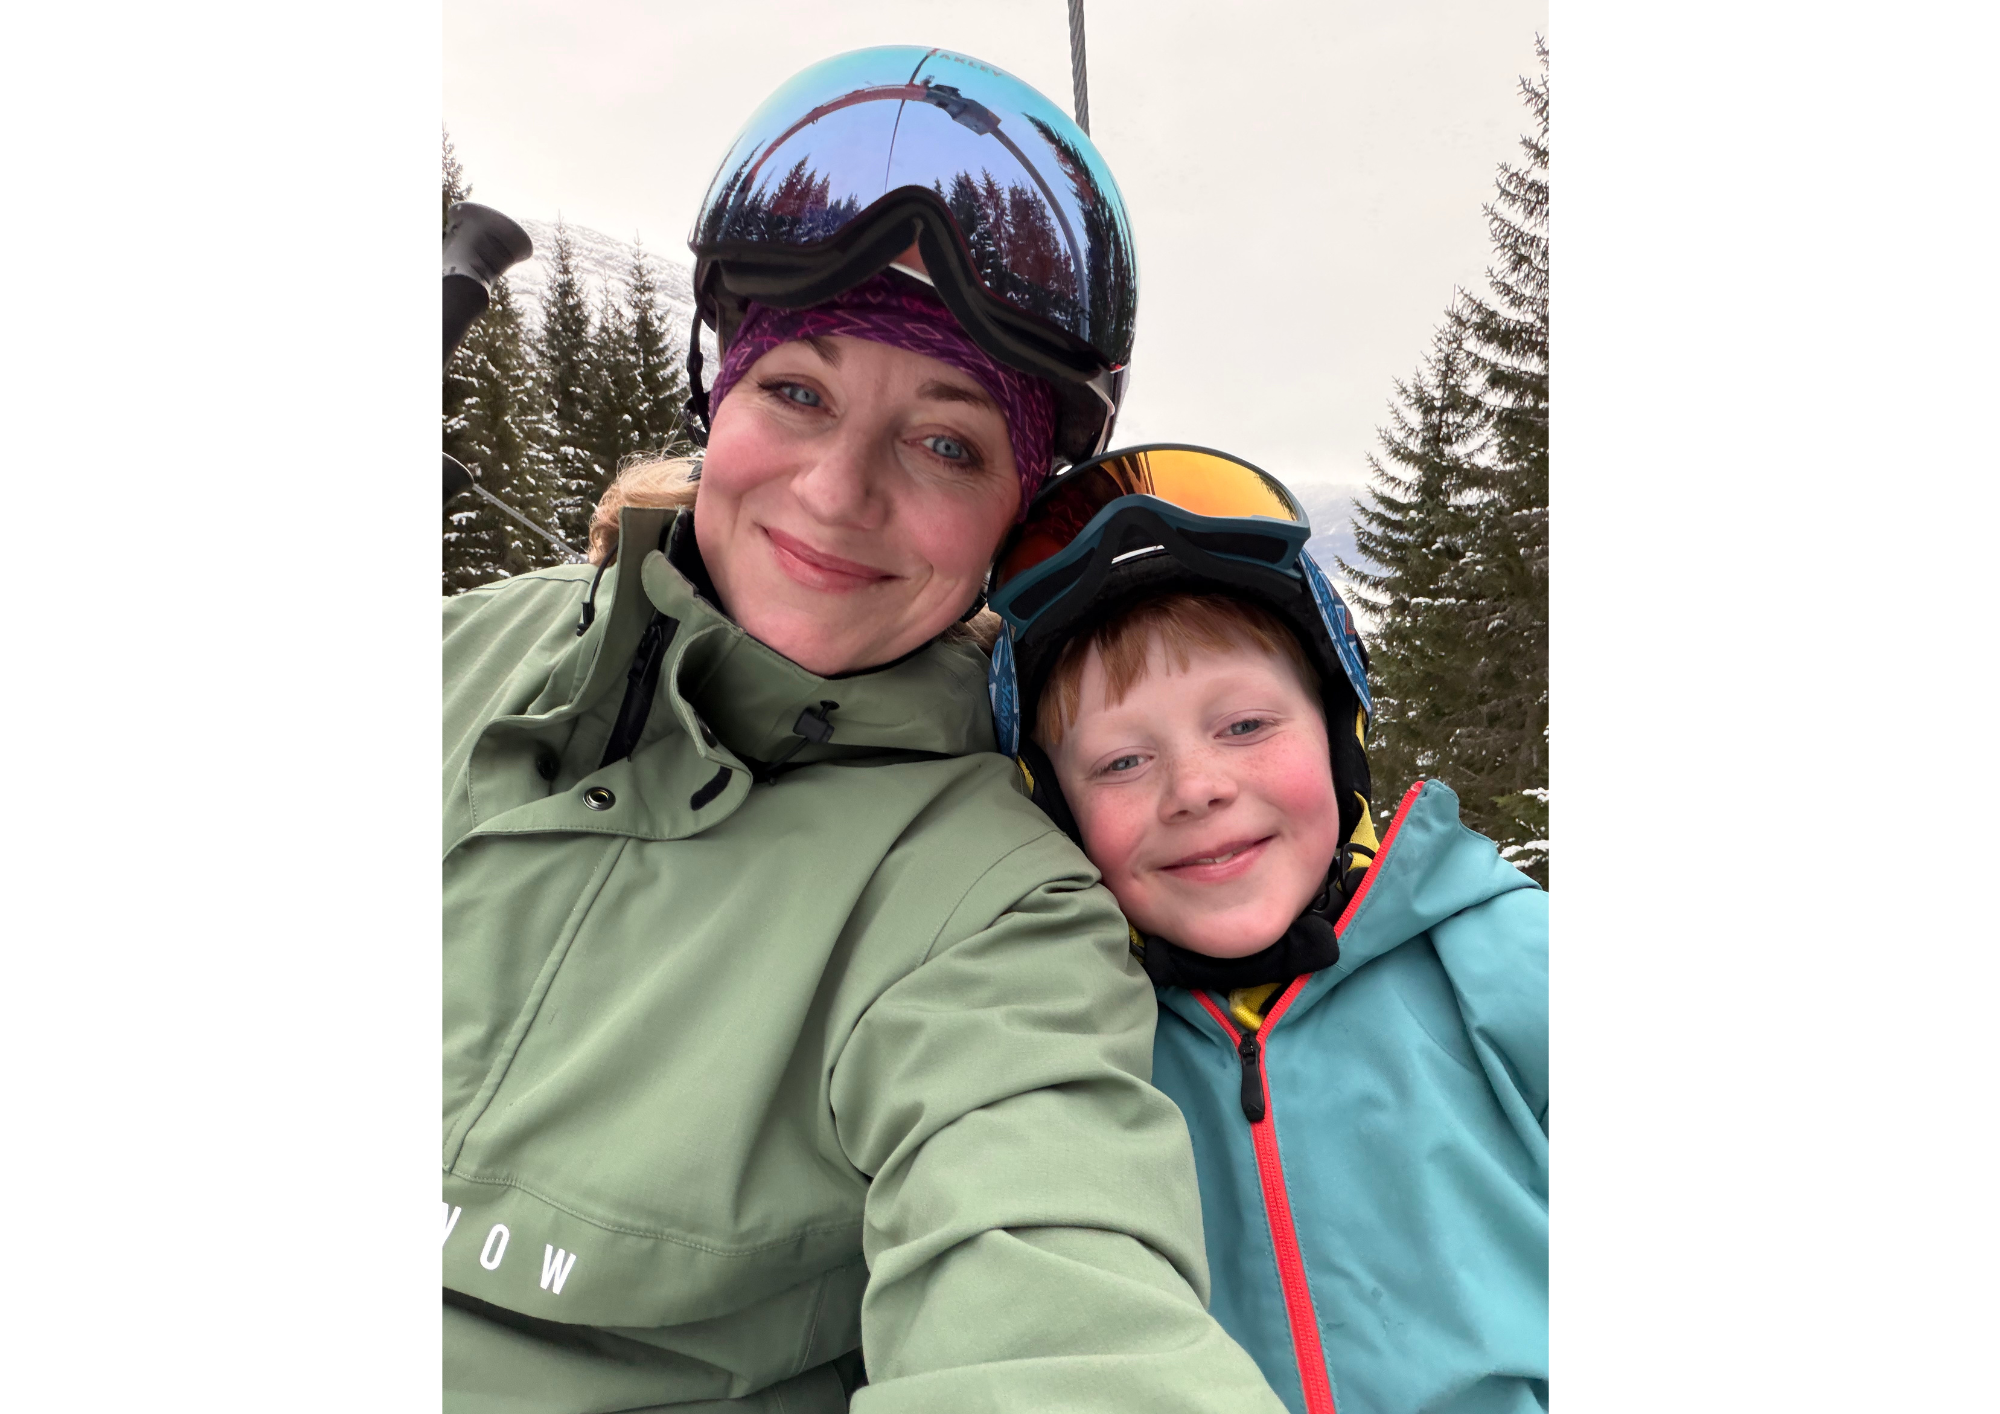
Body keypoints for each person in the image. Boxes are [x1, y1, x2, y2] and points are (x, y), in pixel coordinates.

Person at [443, 50, 1286, 1414]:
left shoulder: (988, 908)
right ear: (717, 395)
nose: (837, 492)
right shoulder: (460, 654)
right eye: (798, 392)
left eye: (947, 443)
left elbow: (1058, 1310)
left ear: (1015, 507)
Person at [985, 445, 1550, 1414]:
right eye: (1121, 761)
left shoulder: (1508, 964)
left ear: (1337, 730)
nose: (1196, 788)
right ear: (1058, 808)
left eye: (1244, 725)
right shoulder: (1072, 1051)